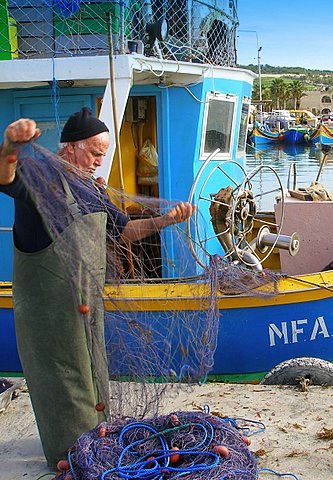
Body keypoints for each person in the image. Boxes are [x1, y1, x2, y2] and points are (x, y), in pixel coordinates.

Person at [0, 108, 195, 467]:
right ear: (71, 147)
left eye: (103, 153)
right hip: (48, 310)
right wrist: (11, 143)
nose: (99, 160)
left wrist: (165, 221)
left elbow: (123, 231)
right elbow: (4, 176)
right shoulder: (39, 174)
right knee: (61, 382)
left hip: (85, 308)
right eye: (94, 152)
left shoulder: (92, 189)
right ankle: (69, 455)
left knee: (92, 380)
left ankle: (94, 447)